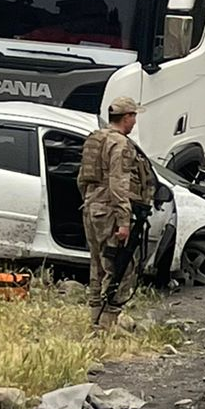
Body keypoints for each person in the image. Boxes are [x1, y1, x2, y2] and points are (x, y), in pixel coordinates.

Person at [78, 95, 158, 328]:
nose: (134, 122)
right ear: (126, 117)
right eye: (133, 117)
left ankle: (95, 318)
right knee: (120, 266)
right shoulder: (120, 145)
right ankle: (107, 323)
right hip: (111, 211)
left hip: (92, 208)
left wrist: (91, 202)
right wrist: (124, 221)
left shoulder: (96, 138)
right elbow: (118, 183)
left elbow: (82, 178)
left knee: (97, 264)